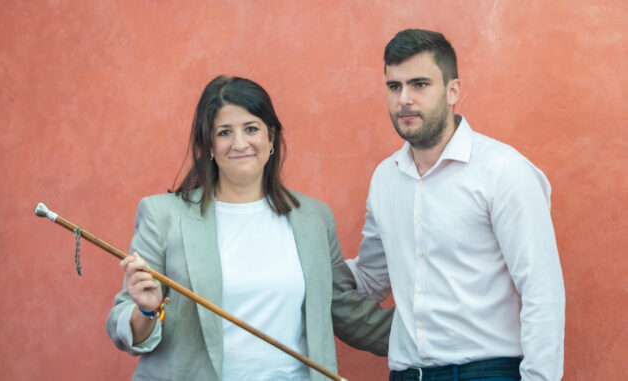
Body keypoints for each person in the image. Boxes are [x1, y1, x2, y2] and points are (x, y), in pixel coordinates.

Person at [107, 75, 393, 380]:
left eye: (251, 129)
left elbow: (343, 309)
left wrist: (429, 334)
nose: (240, 143)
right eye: (225, 132)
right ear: (209, 144)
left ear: (271, 137)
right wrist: (148, 312)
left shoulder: (314, 218)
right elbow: (121, 325)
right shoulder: (163, 216)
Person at [346, 29, 565, 381]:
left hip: (487, 371)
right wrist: (301, 268)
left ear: (453, 91)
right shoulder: (385, 178)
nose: (404, 99)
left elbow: (542, 288)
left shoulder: (503, 170)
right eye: (394, 86)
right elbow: (372, 278)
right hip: (406, 373)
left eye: (420, 84)